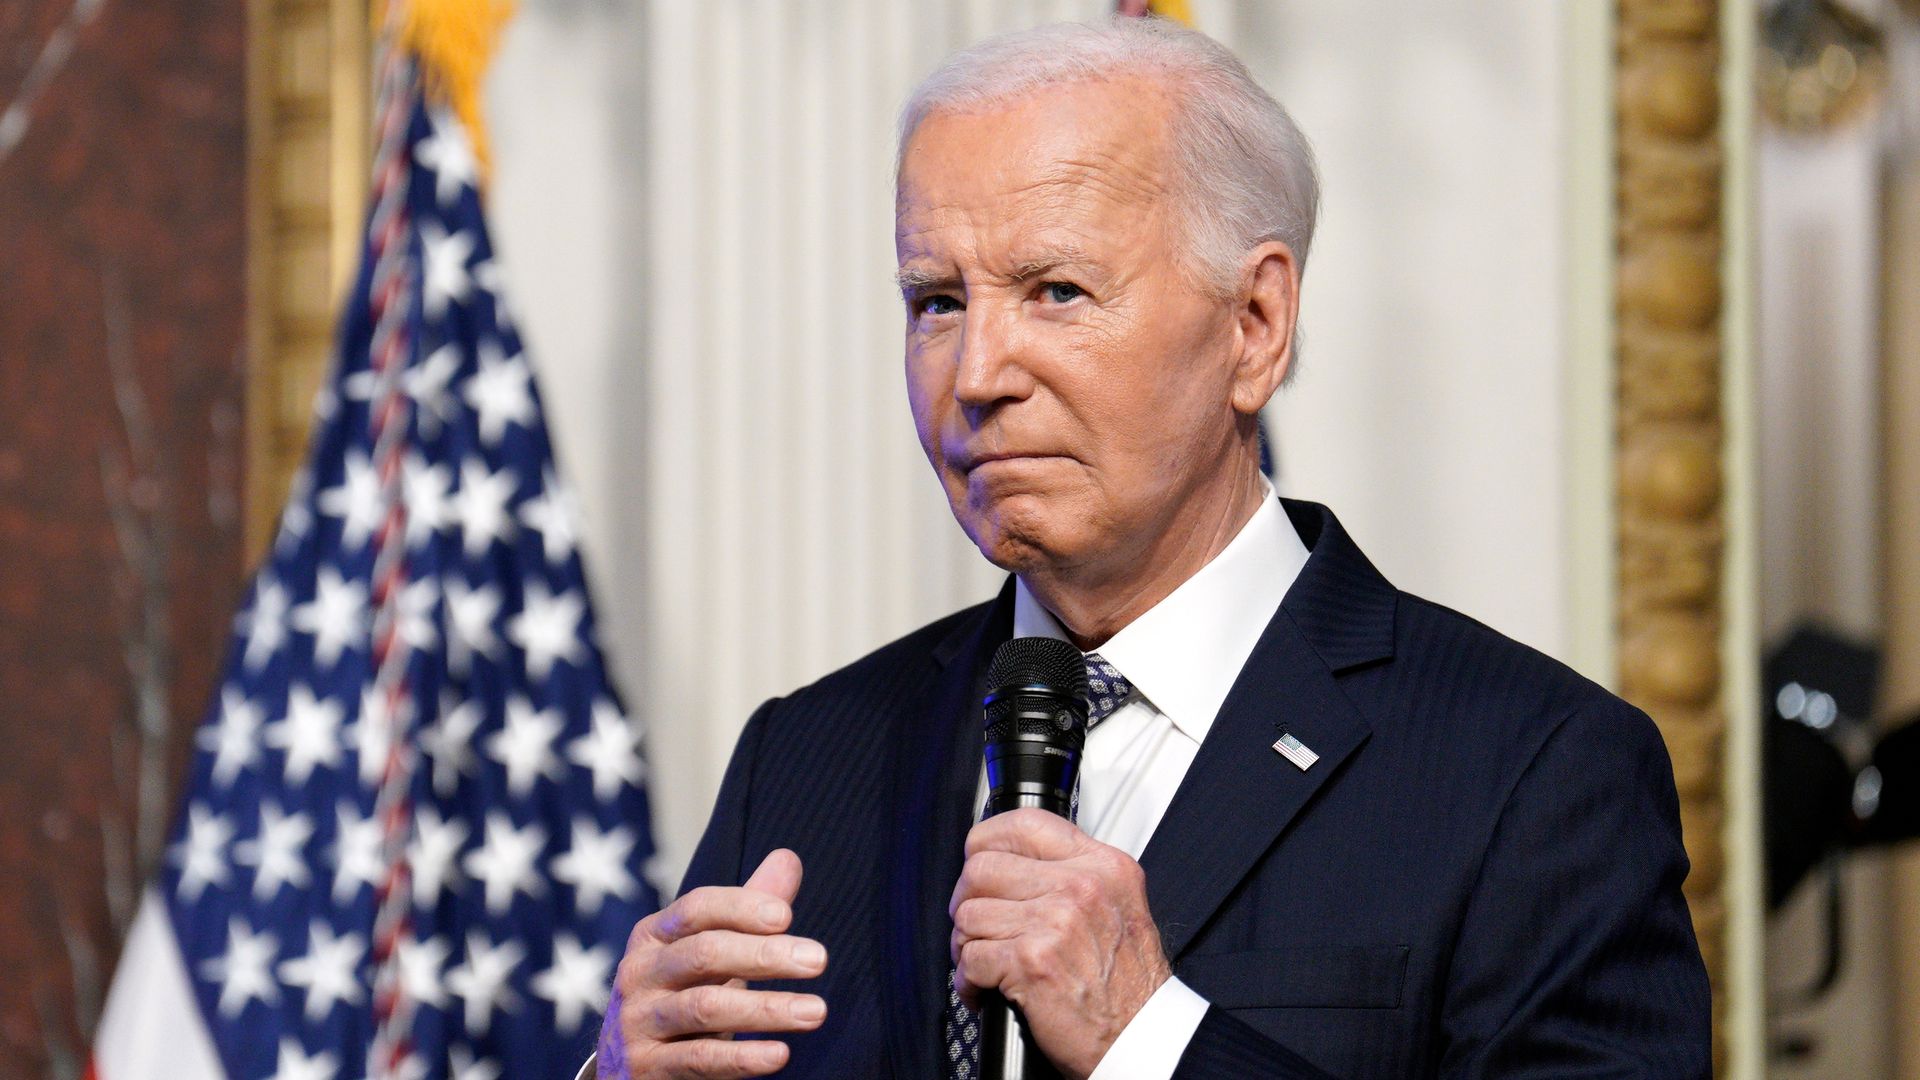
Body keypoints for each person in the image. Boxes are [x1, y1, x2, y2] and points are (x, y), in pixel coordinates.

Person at [587, 17, 1711, 1080]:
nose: (977, 374)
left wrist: (1151, 1040)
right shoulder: (809, 753)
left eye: (1056, 291)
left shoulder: (1533, 771)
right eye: (935, 301)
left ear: (1254, 326)